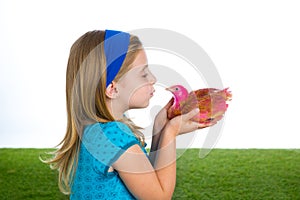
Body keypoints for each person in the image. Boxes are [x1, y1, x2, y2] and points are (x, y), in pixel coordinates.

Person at [44, 29, 216, 199]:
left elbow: (148, 177)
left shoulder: (98, 130)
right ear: (112, 89)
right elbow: (159, 197)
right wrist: (170, 133)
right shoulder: (113, 136)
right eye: (143, 74)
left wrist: (160, 128)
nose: (153, 79)